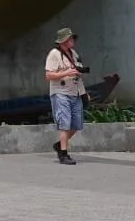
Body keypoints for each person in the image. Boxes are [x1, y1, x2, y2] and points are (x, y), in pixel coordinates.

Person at [45, 26, 87, 165]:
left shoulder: (73, 53)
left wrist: (84, 91)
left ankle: (59, 145)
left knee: (76, 124)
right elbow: (49, 75)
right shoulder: (54, 54)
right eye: (70, 38)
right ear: (64, 41)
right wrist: (66, 73)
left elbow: (76, 69)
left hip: (75, 91)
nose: (73, 40)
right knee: (64, 123)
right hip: (61, 92)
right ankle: (63, 153)